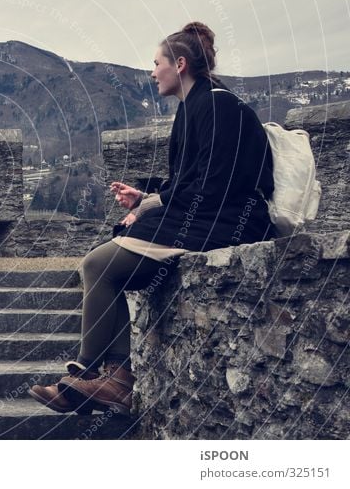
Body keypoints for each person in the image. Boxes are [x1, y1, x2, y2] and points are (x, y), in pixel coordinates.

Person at [28, 21, 276, 416]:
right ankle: (112, 379)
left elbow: (216, 185)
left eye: (155, 62)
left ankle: (99, 375)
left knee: (99, 263)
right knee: (102, 262)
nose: (150, 71)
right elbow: (189, 181)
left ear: (179, 64)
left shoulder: (218, 106)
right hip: (207, 215)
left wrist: (151, 208)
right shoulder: (196, 107)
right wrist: (148, 200)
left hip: (228, 221)